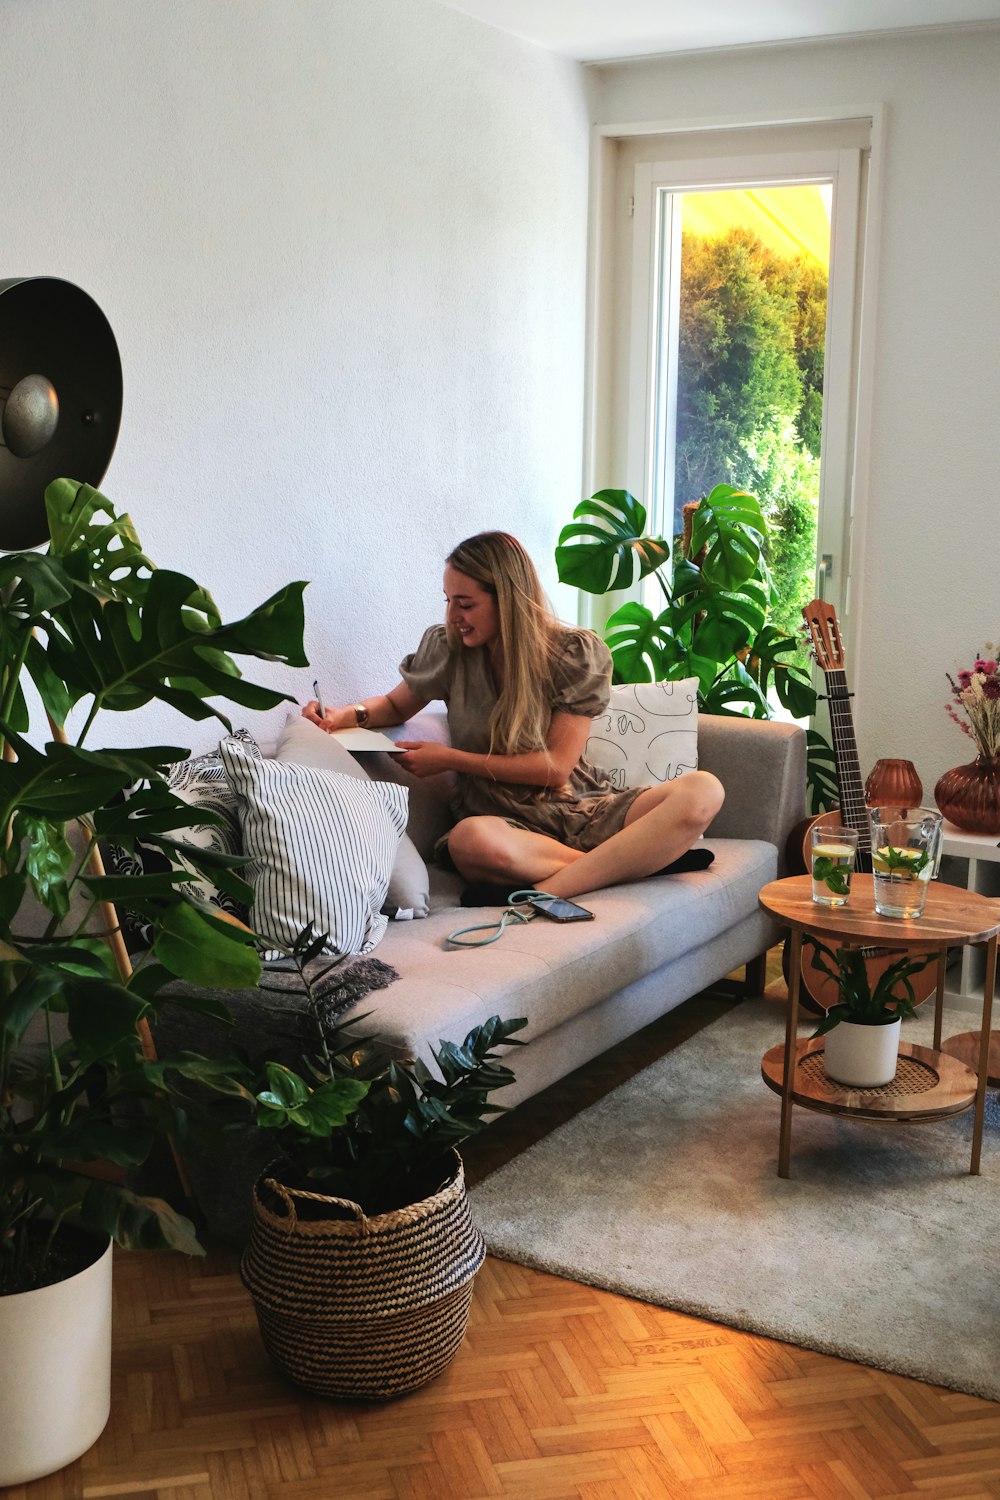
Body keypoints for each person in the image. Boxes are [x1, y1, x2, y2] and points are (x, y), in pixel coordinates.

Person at [302, 531, 724, 902]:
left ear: (507, 598)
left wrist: (449, 759)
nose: (453, 616)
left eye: (465, 604)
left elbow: (556, 769)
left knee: (704, 790)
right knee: (470, 841)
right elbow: (395, 706)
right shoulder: (449, 648)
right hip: (502, 824)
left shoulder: (573, 652)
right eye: (448, 601)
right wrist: (346, 714)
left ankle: (547, 890)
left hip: (581, 809)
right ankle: (627, 865)